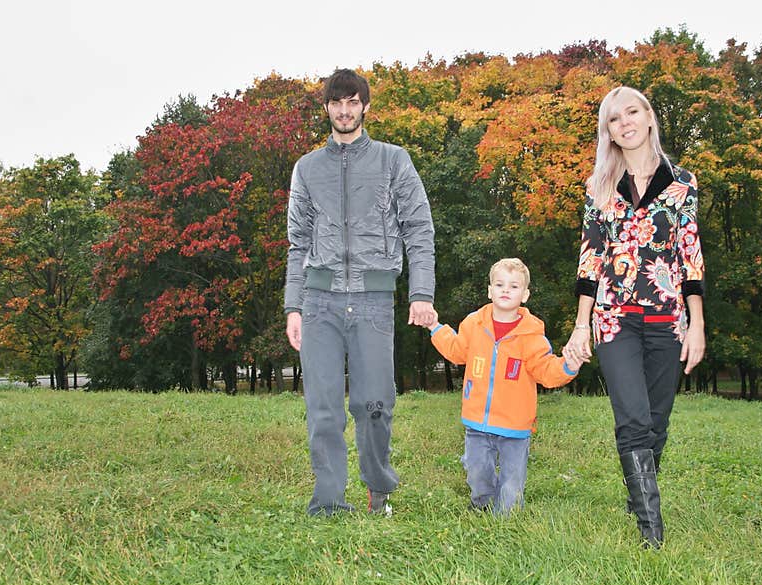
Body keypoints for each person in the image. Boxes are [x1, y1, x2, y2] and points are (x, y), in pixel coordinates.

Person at [284, 68, 436, 517]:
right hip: (319, 303)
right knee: (323, 409)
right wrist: (293, 305)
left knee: (375, 405)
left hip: (373, 302)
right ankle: (328, 501)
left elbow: (419, 229)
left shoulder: (394, 161)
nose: (345, 110)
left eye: (353, 102)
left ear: (365, 107)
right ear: (327, 107)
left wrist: (420, 293)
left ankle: (378, 489)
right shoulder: (307, 168)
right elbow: (297, 241)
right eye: (337, 103)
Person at [562, 86, 705, 549]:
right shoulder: (599, 188)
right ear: (608, 132)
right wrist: (581, 324)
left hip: (668, 318)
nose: (623, 123)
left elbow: (690, 258)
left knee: (657, 420)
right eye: (612, 119)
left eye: (631, 113)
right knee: (633, 419)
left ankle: (637, 495)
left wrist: (697, 325)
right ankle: (651, 529)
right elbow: (591, 260)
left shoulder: (683, 183)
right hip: (613, 319)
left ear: (648, 118)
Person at [427, 258, 583, 515]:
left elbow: (546, 370)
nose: (505, 290)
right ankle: (482, 505)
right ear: (489, 291)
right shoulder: (473, 324)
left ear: (525, 294)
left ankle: (507, 519)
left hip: (515, 425)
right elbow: (456, 351)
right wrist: (435, 327)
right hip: (477, 421)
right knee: (477, 472)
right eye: (499, 284)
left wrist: (569, 365)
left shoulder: (532, 335)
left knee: (512, 483)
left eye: (513, 286)